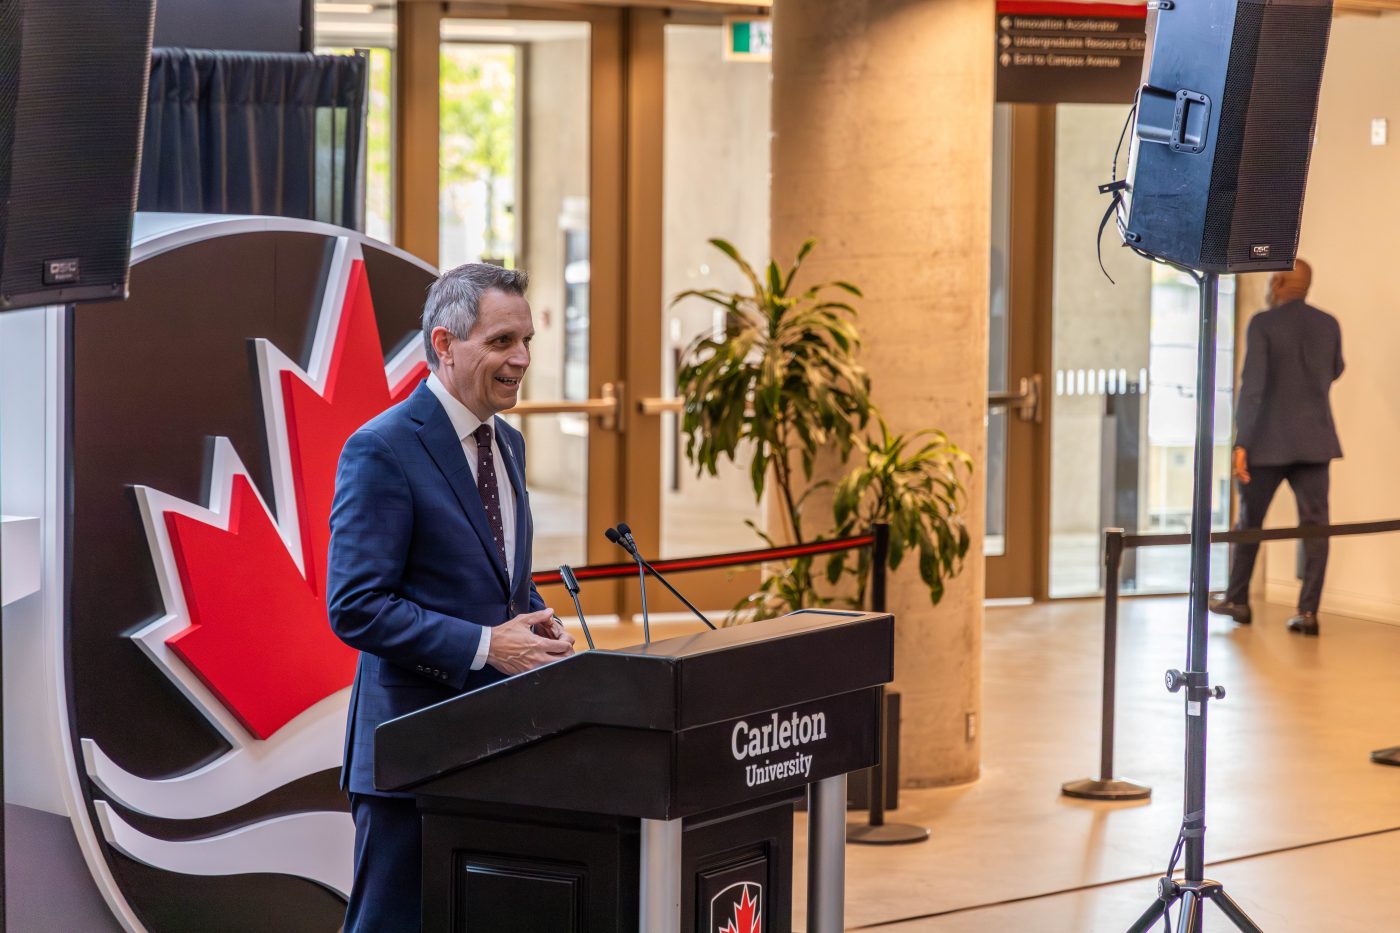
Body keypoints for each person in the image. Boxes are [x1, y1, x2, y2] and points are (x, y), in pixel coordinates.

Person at [326, 263, 575, 932]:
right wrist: (489, 644)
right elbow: (355, 604)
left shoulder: (510, 444)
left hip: (497, 750)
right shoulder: (381, 449)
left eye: (525, 340)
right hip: (410, 759)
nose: (520, 359)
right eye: (500, 342)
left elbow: (496, 578)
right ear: (444, 344)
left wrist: (534, 622)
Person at [1209, 259, 1343, 636]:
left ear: (1280, 282)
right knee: (1316, 527)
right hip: (1316, 441)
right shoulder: (1328, 323)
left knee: (1249, 522)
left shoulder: (1263, 324)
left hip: (1266, 443)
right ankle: (1308, 612)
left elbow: (1252, 388)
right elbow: (1336, 369)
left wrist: (1241, 443)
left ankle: (1237, 599)